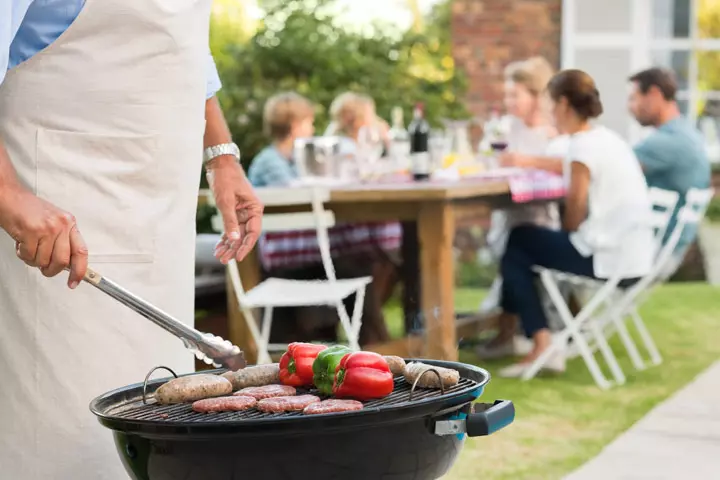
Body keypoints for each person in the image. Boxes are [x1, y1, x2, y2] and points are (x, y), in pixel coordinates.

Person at [0, 2, 262, 479]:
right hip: (58, 204)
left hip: (161, 216)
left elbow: (183, 46)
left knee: (156, 429)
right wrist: (8, 192)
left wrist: (222, 155)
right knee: (66, 437)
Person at [497, 69, 654, 378]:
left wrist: (563, 235)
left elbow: (575, 208)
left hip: (608, 259)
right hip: (634, 257)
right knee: (528, 243)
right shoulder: (608, 138)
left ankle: (542, 342)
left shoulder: (581, 148)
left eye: (551, 105)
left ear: (565, 105)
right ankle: (527, 336)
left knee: (517, 242)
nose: (549, 113)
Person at [247, 92, 391, 345]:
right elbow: (300, 200)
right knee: (356, 264)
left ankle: (370, 345)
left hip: (300, 256)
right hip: (285, 260)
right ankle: (375, 348)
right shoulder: (272, 163)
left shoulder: (293, 159)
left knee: (359, 262)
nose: (313, 128)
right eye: (309, 122)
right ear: (295, 126)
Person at [476, 57, 567, 360]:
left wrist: (524, 161)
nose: (509, 101)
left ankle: (519, 336)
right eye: (507, 95)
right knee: (511, 252)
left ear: (536, 95)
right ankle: (508, 336)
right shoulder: (504, 128)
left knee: (515, 256)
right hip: (507, 214)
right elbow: (484, 158)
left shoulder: (553, 134)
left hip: (540, 217)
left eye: (516, 94)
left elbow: (566, 168)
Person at [628, 67, 711, 275]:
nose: (630, 107)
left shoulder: (669, 141)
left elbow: (611, 168)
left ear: (654, 94)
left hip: (647, 254)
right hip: (665, 251)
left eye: (634, 98)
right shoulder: (688, 134)